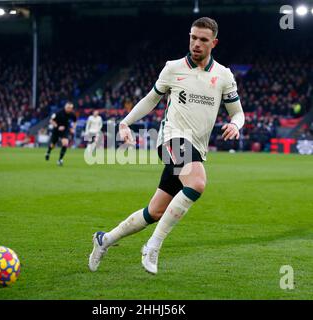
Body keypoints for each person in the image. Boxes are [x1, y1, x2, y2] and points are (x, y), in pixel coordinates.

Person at [88, 17, 245, 274]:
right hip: (172, 138)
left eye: (203, 39)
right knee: (197, 183)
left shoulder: (224, 75)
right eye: (193, 37)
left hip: (197, 148)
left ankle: (104, 239)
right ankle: (153, 246)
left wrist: (236, 125)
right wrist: (125, 123)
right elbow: (151, 100)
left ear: (213, 43)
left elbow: (237, 113)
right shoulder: (173, 68)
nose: (196, 43)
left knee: (155, 211)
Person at [45, 101, 77, 166]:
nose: (69, 109)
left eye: (70, 108)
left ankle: (60, 159)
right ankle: (48, 152)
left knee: (65, 143)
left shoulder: (72, 114)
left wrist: (73, 128)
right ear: (65, 107)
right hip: (56, 130)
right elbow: (51, 120)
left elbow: (75, 121)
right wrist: (57, 126)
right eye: (68, 107)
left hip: (65, 130)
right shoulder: (58, 112)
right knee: (53, 145)